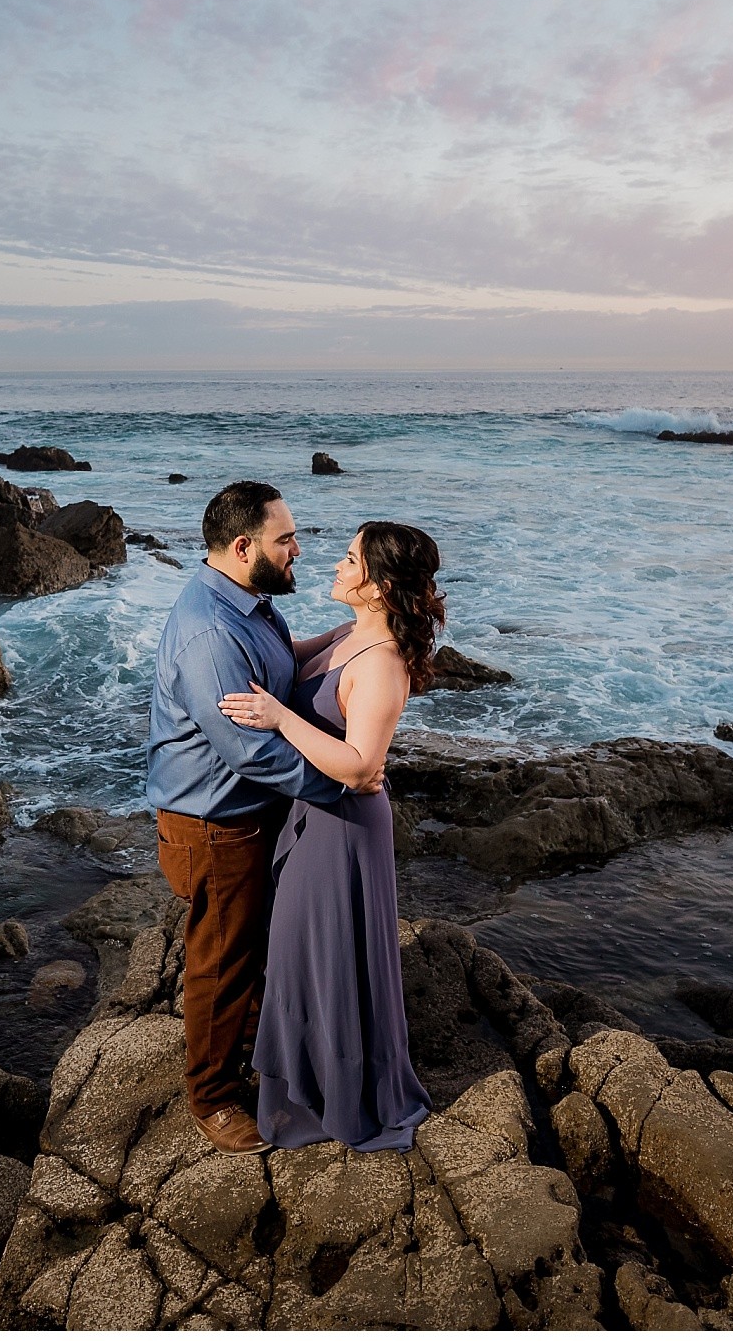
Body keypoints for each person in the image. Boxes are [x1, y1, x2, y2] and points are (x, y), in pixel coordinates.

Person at [147, 480, 378, 1155]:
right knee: (223, 963)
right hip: (217, 827)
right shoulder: (210, 633)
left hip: (248, 817)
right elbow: (251, 752)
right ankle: (211, 1098)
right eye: (286, 540)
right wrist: (344, 789)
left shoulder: (249, 603)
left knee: (250, 950)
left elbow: (283, 666)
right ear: (243, 546)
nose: (299, 550)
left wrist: (360, 630)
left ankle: (248, 1049)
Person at [218, 520, 441, 1152]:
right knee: (303, 951)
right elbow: (282, 656)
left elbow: (362, 765)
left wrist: (279, 717)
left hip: (345, 825)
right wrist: (227, 600)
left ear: (377, 583)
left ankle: (340, 1099)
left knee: (324, 954)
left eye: (350, 558)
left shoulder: (384, 663)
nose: (336, 565)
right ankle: (308, 1084)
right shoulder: (350, 633)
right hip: (315, 813)